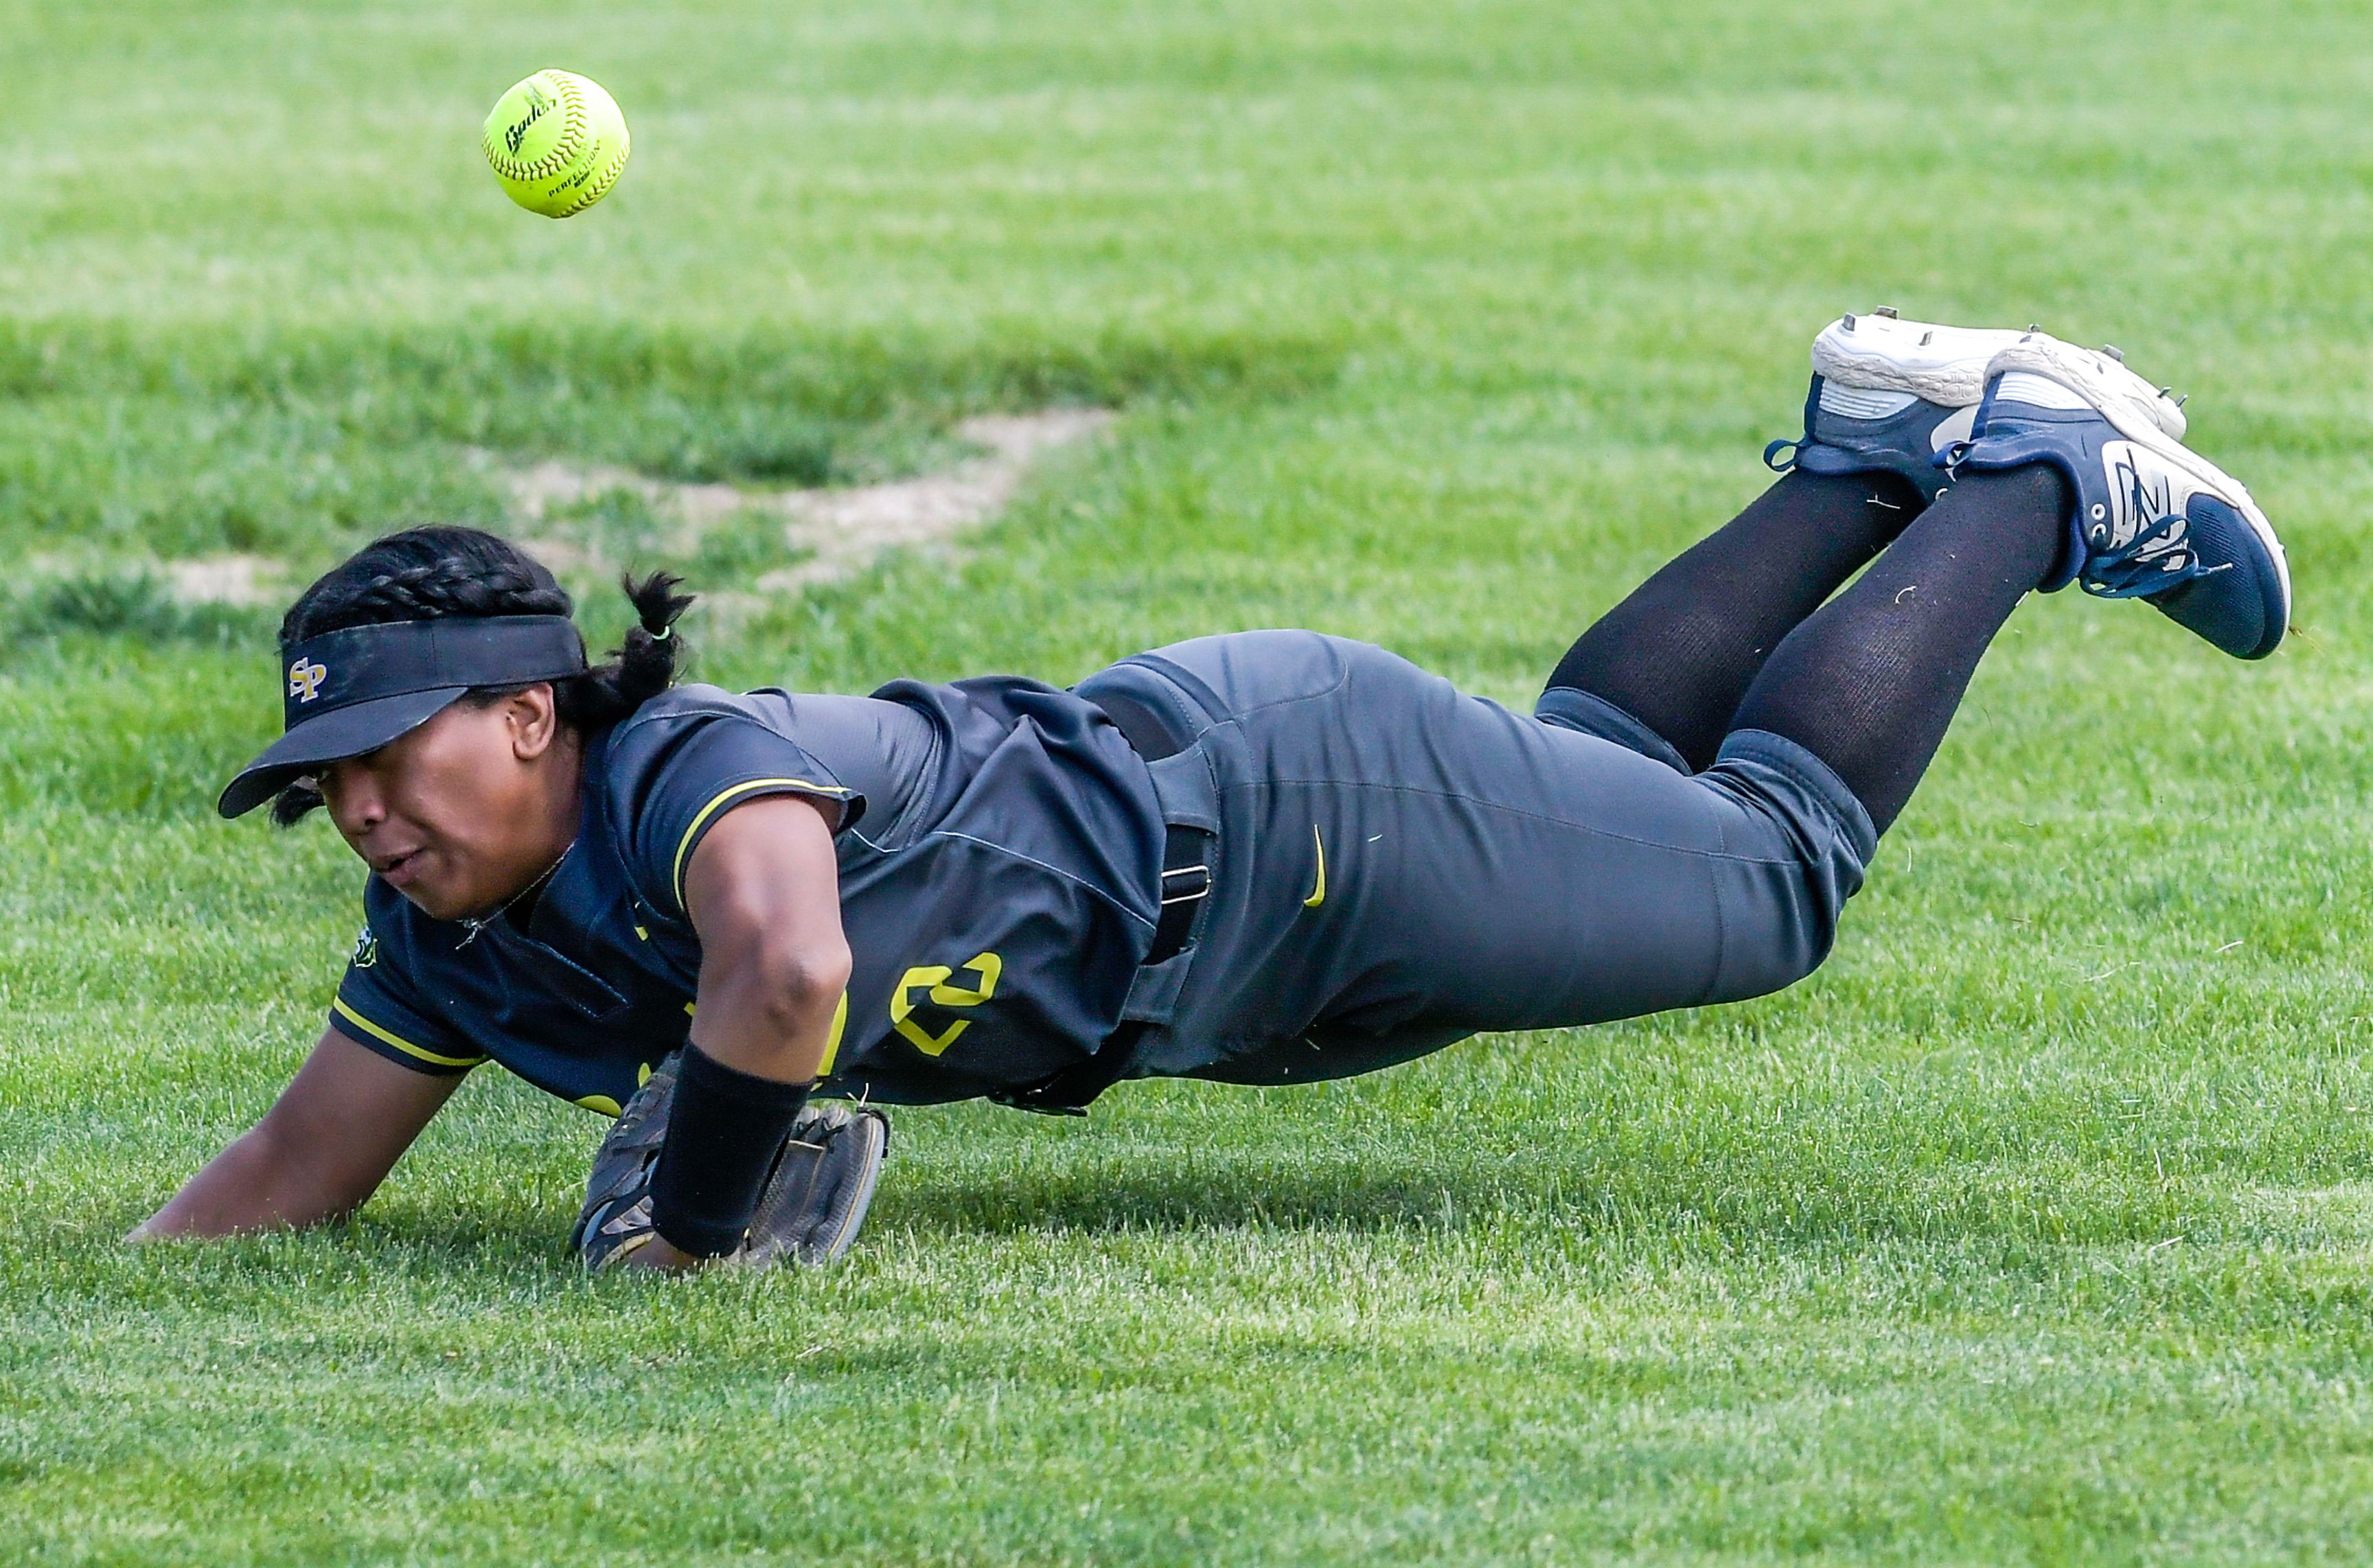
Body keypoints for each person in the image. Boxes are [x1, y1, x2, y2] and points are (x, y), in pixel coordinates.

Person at [132, 312, 2289, 1270]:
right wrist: (114, 1280)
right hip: (1234, 965)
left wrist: (696, 1218)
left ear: (529, 712)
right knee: (1614, 775)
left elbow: (782, 969)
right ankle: (1861, 449)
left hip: (1288, 820)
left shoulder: (689, 765)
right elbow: (295, 1167)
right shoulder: (445, 939)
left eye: (384, 756)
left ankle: (2031, 466)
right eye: (320, 788)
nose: (360, 815)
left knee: (1765, 878)